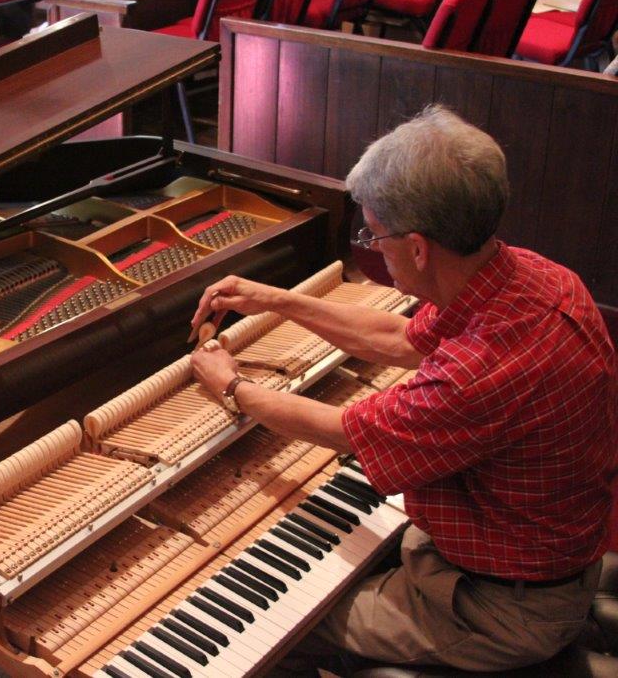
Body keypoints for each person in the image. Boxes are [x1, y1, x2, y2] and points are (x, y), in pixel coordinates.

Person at [188, 105, 618, 672]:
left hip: (503, 609)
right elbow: (399, 337)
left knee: (275, 632)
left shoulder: (477, 371)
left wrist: (233, 387)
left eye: (375, 235)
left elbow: (348, 430)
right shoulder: (531, 277)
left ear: (417, 248)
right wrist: (277, 300)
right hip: (532, 559)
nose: (373, 248)